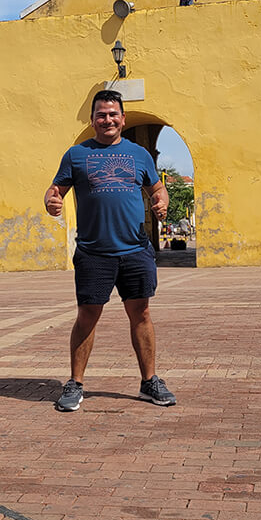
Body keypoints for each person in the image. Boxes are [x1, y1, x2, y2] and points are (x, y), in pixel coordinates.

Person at [44, 89, 175, 412]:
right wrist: (51, 200)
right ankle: (75, 384)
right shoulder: (76, 155)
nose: (107, 120)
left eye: (113, 114)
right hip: (93, 252)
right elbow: (55, 189)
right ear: (92, 120)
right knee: (87, 316)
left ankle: (149, 382)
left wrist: (162, 201)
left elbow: (158, 189)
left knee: (141, 314)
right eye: (101, 115)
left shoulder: (139, 155)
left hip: (134, 250)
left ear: (123, 119)